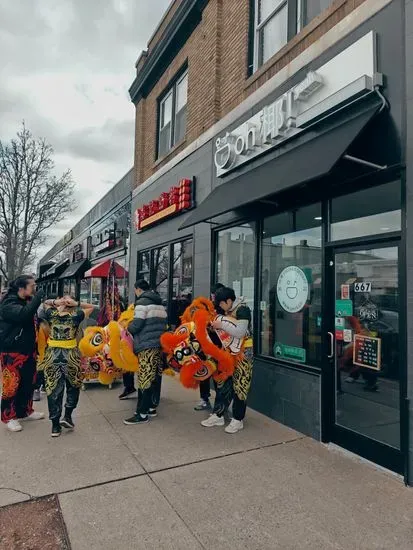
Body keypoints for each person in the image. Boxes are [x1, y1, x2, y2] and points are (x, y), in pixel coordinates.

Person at [39, 296, 94, 437]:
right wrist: (76, 304)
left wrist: (56, 303)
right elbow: (91, 307)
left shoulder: (51, 314)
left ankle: (55, 426)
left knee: (53, 389)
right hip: (71, 356)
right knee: (73, 385)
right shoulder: (76, 315)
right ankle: (67, 416)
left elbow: (44, 303)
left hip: (52, 356)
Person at [201, 286, 253, 434]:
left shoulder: (243, 310)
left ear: (229, 301)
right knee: (223, 385)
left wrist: (221, 324)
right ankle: (218, 414)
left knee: (240, 386)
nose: (221, 307)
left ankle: (238, 419)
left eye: (222, 304)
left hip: (244, 355)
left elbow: (240, 332)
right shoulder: (228, 311)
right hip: (228, 353)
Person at [0, 275, 45, 432]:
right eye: (32, 286)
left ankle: (24, 411)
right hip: (12, 351)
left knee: (28, 383)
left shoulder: (26, 301)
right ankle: (8, 417)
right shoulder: (8, 303)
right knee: (11, 384)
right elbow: (23, 315)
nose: (35, 289)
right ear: (21, 288)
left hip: (29, 350)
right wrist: (38, 297)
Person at [124, 279, 167, 425]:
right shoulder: (160, 303)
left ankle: (141, 414)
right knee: (153, 376)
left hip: (145, 345)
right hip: (157, 344)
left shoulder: (142, 302)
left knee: (144, 378)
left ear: (137, 289)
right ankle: (150, 408)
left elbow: (137, 325)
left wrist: (127, 326)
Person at [194, 283, 224, 412]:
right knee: (204, 374)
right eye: (212, 295)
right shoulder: (206, 307)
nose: (213, 298)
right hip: (205, 346)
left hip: (219, 347)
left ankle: (220, 402)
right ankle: (204, 399)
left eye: (215, 295)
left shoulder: (224, 309)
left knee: (219, 376)